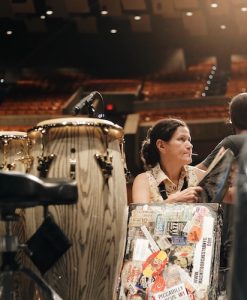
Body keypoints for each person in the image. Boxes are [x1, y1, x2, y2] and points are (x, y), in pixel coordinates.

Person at [132, 118, 205, 204]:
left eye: (189, 140)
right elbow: (140, 215)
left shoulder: (200, 176)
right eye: (181, 139)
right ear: (161, 145)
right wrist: (174, 199)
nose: (190, 145)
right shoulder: (143, 180)